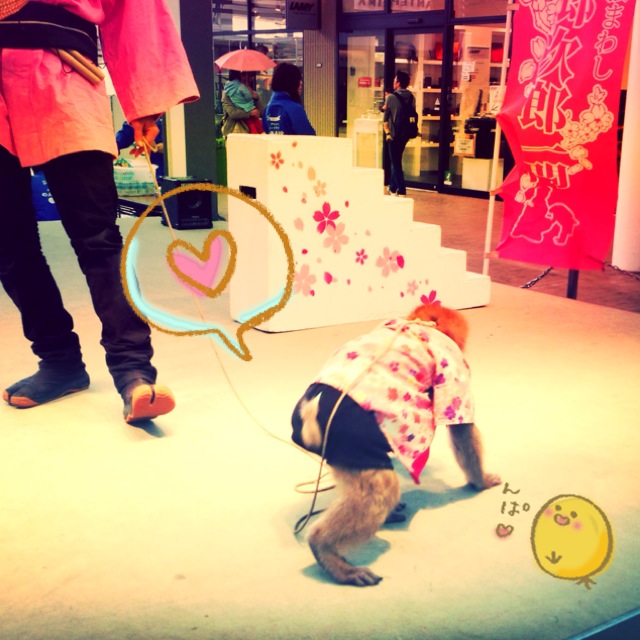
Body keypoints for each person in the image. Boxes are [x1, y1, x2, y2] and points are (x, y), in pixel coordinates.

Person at [0, 0, 199, 423]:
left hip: (62, 71)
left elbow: (133, 10)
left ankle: (133, 370)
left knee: (98, 238)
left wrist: (143, 104)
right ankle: (59, 361)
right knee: (9, 245)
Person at [383, 70, 415, 196]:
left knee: (396, 162)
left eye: (395, 80)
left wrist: (387, 133)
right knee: (396, 159)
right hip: (406, 134)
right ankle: (392, 187)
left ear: (398, 83)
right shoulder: (412, 97)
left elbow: (385, 118)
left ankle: (401, 189)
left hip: (393, 134)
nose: (393, 82)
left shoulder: (391, 97)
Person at [262, 63, 315, 136]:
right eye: (298, 79)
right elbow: (309, 136)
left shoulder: (267, 108)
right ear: (290, 82)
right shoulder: (294, 108)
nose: (301, 83)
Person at [221, 70, 264, 136]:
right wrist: (250, 113)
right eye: (244, 75)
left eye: (250, 75)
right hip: (235, 129)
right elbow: (233, 113)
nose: (248, 78)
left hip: (253, 130)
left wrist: (255, 97)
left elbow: (261, 111)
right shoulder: (228, 93)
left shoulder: (251, 92)